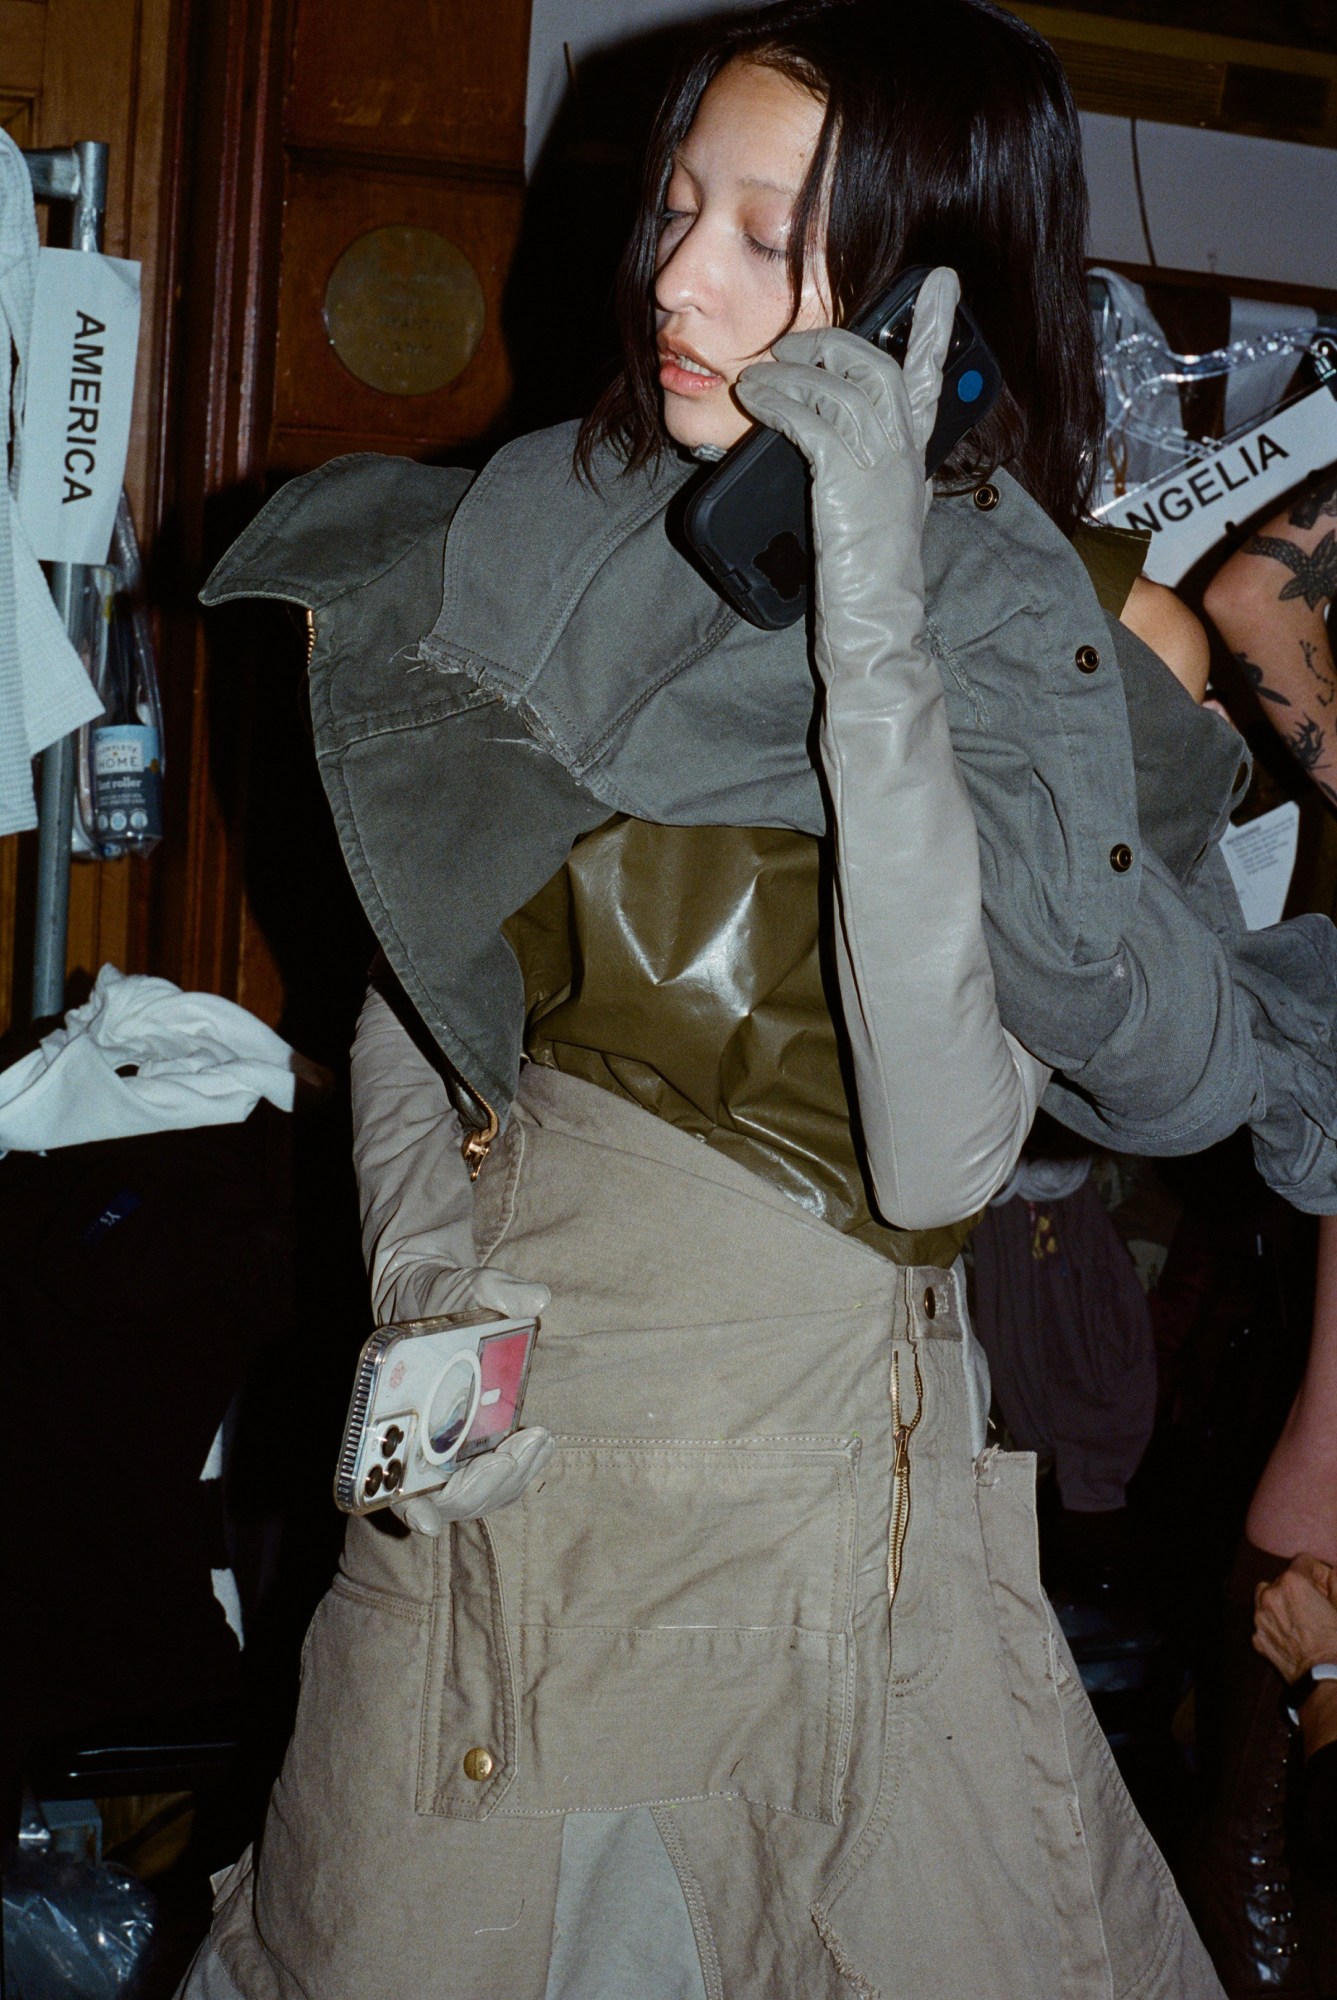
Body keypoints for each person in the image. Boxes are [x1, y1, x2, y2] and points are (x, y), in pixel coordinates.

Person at [180, 4, 1337, 1994]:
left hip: (803, 1448)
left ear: (929, 273)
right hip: (499, 1431)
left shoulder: (1036, 606)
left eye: (771, 238)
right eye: (676, 212)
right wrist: (429, 1290)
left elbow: (942, 1141)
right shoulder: (532, 520)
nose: (682, 282)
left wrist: (873, 610)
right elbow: (412, 962)